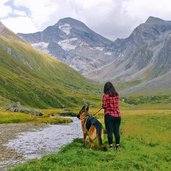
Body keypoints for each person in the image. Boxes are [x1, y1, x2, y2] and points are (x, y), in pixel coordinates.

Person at [102, 82, 121, 150]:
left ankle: (110, 146)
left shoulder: (105, 95)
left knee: (110, 131)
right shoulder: (116, 94)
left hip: (109, 115)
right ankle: (117, 146)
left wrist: (105, 106)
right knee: (117, 131)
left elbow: (104, 106)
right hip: (117, 115)